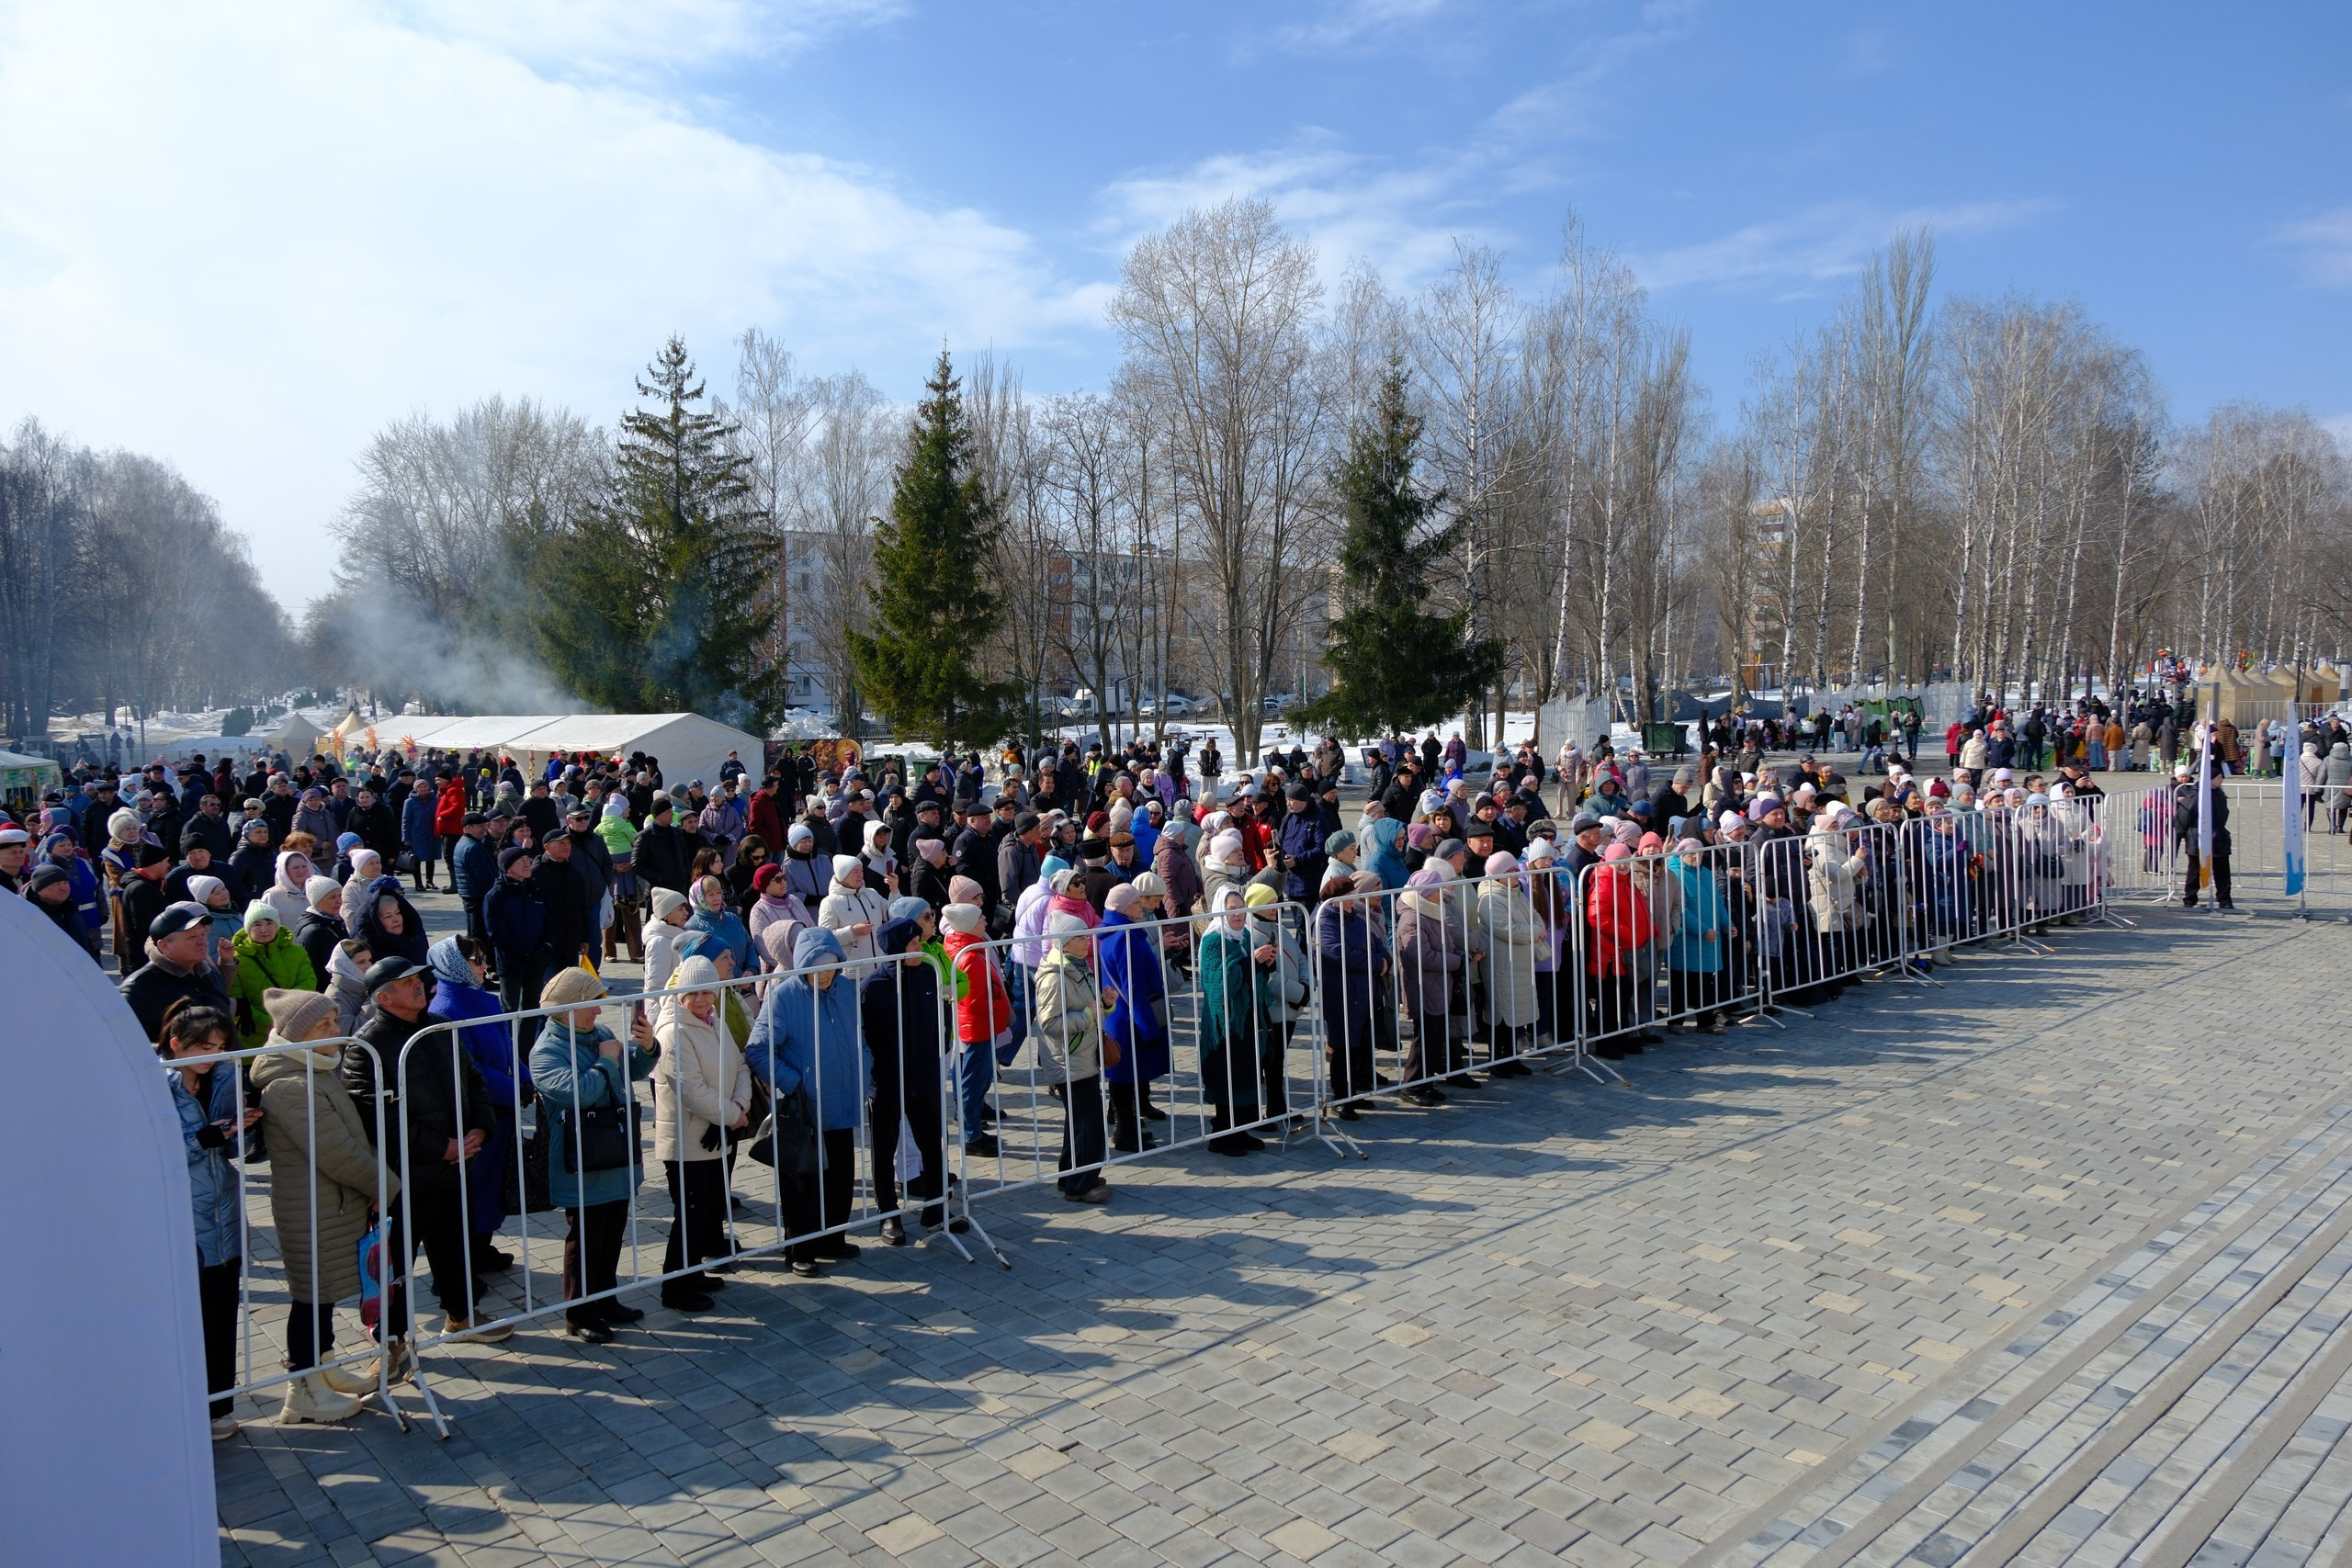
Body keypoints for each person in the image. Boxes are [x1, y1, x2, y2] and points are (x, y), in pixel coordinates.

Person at [349, 957, 509, 1345]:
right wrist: (442, 1147)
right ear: (383, 997)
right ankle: (391, 1339)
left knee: (454, 1247)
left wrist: (479, 1129)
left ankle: (460, 1317)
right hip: (406, 1175)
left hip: (455, 1165)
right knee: (397, 1262)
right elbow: (379, 1120)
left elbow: (475, 1081)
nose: (419, 983)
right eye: (406, 982)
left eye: (417, 977)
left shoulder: (439, 1028)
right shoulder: (367, 1047)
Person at [249, 988, 390, 1425]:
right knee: (310, 1298)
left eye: (333, 1022)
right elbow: (337, 1152)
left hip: (332, 1203)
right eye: (323, 1025)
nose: (336, 1030)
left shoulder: (317, 1067)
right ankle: (303, 1389)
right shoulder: (292, 1084)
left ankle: (323, 1369)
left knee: (322, 1296)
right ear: (297, 1035)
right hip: (310, 1207)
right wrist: (386, 1184)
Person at [529, 965, 656, 1342]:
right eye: (591, 1004)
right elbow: (579, 1092)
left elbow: (629, 1069)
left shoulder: (598, 1034)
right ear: (566, 1010)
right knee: (585, 1238)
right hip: (580, 1159)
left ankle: (606, 1299)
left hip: (613, 1151)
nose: (599, 1011)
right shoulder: (546, 1051)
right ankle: (579, 1312)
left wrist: (647, 1046)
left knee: (613, 1231)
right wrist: (606, 1060)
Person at [743, 926, 871, 1275]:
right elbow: (758, 1049)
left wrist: (865, 1067)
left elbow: (859, 1034)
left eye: (831, 967)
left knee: (841, 1174)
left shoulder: (846, 990)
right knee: (802, 1181)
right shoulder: (783, 996)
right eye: (817, 968)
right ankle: (800, 1246)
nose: (826, 975)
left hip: (843, 1101)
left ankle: (833, 1236)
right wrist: (795, 1082)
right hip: (805, 1109)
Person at [161, 1002, 261, 1439]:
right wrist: (209, 1137)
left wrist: (247, 1124)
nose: (213, 1054)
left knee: (222, 1314)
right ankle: (182, 1408)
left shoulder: (223, 1076)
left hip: (223, 1211)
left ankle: (218, 1406)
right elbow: (154, 1152)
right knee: (187, 1319)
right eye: (204, 1046)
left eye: (220, 1046)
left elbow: (237, 1149)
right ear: (175, 1044)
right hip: (180, 1216)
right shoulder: (152, 1085)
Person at [651, 955, 751, 1312]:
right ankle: (674, 1286)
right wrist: (732, 1116)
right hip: (687, 1141)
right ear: (680, 994)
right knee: (690, 1212)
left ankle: (692, 1273)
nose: (701, 1000)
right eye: (693, 994)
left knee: (707, 1209)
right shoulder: (673, 1031)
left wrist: (738, 1106)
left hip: (717, 1131)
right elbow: (689, 1089)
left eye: (708, 993)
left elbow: (739, 1064)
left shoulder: (714, 1022)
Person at [424, 934, 525, 1276]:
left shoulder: (479, 998)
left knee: (492, 1183)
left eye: (484, 958)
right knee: (474, 1188)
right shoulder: (446, 1010)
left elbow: (506, 1046)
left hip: (498, 1106)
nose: (485, 967)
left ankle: (482, 1247)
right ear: (454, 966)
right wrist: (512, 1089)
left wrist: (525, 1080)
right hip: (474, 1113)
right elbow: (469, 1070)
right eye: (476, 961)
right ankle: (465, 1259)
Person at [859, 916, 950, 1239]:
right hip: (887, 1081)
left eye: (919, 943)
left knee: (931, 1145)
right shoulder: (874, 986)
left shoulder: (927, 972)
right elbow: (864, 1036)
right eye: (912, 945)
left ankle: (937, 1208)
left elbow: (940, 1017)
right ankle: (888, 1213)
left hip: (923, 1076)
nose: (919, 949)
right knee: (884, 1151)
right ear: (896, 949)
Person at [1035, 910, 1114, 1201]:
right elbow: (1049, 1024)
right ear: (1064, 943)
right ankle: (1080, 1185)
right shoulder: (1054, 976)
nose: (1087, 941)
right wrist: (1087, 1015)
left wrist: (1104, 1006)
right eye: (1081, 937)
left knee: (1080, 1120)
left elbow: (1088, 1009)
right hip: (1069, 1060)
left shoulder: (1076, 966)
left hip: (1082, 1055)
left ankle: (1072, 1174)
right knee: (1089, 1121)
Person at [1098, 882, 1169, 1152]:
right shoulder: (1125, 937)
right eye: (1137, 903)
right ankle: (1125, 1131)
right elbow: (1133, 987)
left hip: (1122, 1016)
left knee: (1126, 1076)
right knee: (1124, 1078)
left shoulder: (1114, 932)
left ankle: (1127, 1128)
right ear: (1126, 907)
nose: (1142, 907)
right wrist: (1148, 1027)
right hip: (1130, 1019)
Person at [1196, 886, 1267, 1152]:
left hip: (1246, 1017)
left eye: (1240, 908)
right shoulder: (1214, 940)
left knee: (1245, 1074)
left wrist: (1264, 964)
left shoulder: (1245, 935)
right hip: (1223, 1021)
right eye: (1231, 909)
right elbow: (1218, 986)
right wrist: (1253, 964)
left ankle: (1242, 1129)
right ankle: (1222, 1136)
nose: (1238, 914)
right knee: (1227, 1075)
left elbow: (1252, 974)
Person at [121, 901, 235, 1042]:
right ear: (164, 946)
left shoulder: (209, 973)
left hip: (227, 1061)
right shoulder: (138, 989)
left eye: (202, 935)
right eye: (192, 937)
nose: (203, 942)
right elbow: (132, 1044)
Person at [227, 901, 318, 1047]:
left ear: (277, 925)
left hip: (296, 1030)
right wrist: (271, 1025)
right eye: (257, 924)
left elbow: (308, 983)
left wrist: (288, 1020)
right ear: (248, 928)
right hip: (254, 1037)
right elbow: (237, 999)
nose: (264, 929)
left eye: (269, 923)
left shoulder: (298, 952)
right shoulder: (236, 958)